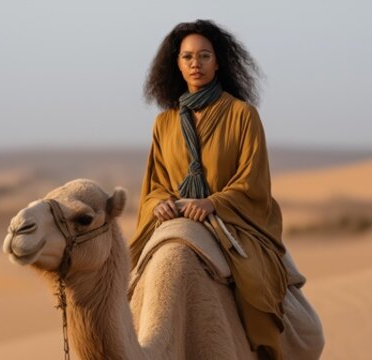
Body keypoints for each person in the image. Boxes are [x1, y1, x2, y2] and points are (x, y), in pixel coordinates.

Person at [130, 19, 320, 359]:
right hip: (176, 220)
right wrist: (159, 201)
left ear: (218, 62)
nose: (195, 64)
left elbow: (253, 181)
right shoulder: (164, 123)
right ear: (176, 63)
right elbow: (156, 182)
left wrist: (213, 203)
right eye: (187, 57)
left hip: (232, 222)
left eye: (204, 56)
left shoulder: (242, 115)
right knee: (129, 287)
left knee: (255, 289)